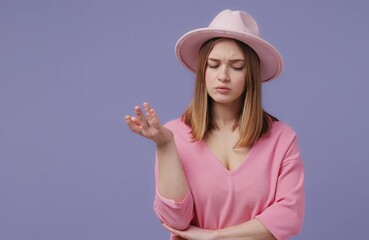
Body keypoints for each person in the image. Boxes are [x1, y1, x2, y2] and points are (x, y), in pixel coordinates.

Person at [125, 9, 305, 240]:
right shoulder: (173, 134)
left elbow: (289, 217)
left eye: (237, 66)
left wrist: (214, 237)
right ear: (203, 71)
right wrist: (165, 145)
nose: (223, 76)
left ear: (251, 74)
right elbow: (175, 220)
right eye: (213, 64)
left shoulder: (282, 138)